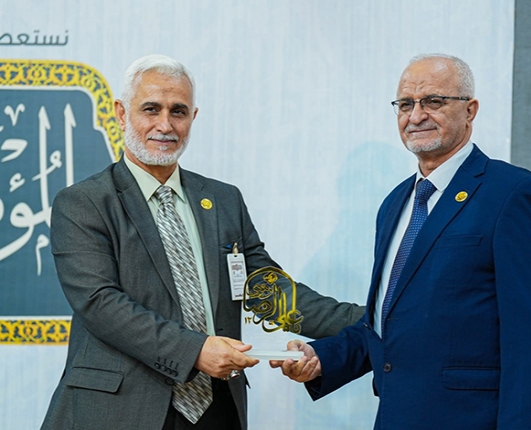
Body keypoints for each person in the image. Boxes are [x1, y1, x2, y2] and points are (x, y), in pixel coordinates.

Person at [41, 54, 364, 430]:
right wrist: (195, 350)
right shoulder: (84, 202)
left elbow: (268, 291)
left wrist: (377, 320)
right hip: (120, 410)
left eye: (178, 111)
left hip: (216, 408)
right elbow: (100, 304)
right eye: (151, 109)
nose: (165, 125)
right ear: (121, 113)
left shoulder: (223, 200)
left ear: (193, 117)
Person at [272, 54, 531, 430]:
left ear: (470, 110)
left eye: (433, 101)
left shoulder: (512, 193)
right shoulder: (395, 204)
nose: (416, 115)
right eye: (405, 104)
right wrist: (322, 358)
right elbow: (387, 323)